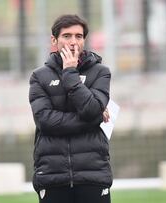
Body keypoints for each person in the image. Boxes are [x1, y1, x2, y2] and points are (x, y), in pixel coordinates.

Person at [28, 14, 112, 203]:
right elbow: (46, 121)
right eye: (67, 36)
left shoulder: (101, 72)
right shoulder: (39, 77)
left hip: (93, 175)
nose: (73, 42)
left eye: (78, 36)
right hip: (52, 176)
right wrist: (94, 118)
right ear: (54, 40)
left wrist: (70, 74)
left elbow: (91, 110)